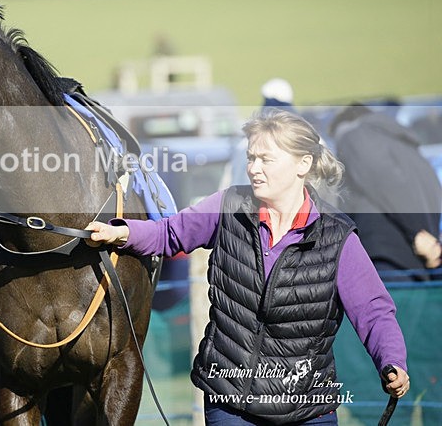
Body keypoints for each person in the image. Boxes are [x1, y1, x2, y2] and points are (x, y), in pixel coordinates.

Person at [87, 109, 410, 425]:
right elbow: (169, 234)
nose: (254, 168)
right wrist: (122, 231)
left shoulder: (337, 236)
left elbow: (373, 310)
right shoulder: (226, 205)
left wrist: (392, 361)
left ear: (303, 164)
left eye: (266, 159)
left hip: (307, 408)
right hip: (230, 400)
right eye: (251, 157)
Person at [330, 104, 442, 279]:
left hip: (387, 258)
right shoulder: (408, 148)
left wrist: (420, 233)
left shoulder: (355, 135)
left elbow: (387, 182)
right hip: (418, 259)